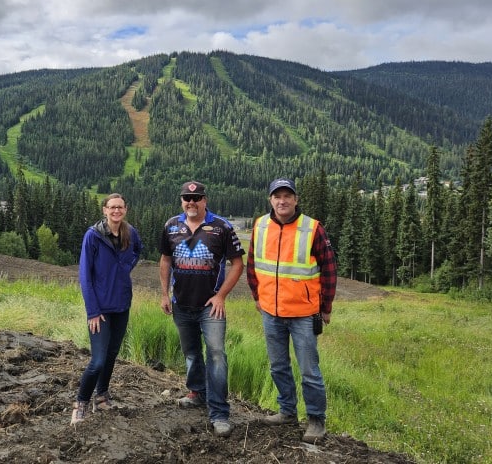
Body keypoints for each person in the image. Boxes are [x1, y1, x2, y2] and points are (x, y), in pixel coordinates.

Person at [246, 177, 337, 443]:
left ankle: (316, 420)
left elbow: (329, 269)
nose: (282, 201)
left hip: (303, 313)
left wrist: (326, 307)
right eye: (277, 196)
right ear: (270, 200)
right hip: (271, 312)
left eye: (287, 196)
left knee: (309, 369)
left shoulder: (312, 228)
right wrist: (256, 296)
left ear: (296, 200)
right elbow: (253, 264)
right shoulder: (260, 225)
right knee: (278, 366)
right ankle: (287, 411)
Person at [159, 181, 245, 438]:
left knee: (216, 355)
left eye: (196, 198)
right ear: (182, 201)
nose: (191, 202)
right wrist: (164, 294)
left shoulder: (221, 227)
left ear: (205, 200)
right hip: (181, 304)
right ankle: (197, 393)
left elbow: (237, 263)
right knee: (191, 353)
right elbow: (165, 259)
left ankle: (219, 413)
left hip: (211, 307)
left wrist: (221, 296)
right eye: (187, 197)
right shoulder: (171, 225)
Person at [71, 193, 144, 425]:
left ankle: (101, 396)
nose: (116, 211)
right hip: (100, 309)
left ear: (125, 209)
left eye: (119, 207)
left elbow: (137, 251)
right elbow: (85, 276)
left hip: (121, 305)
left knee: (112, 354)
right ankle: (80, 403)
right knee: (98, 360)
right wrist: (92, 311)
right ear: (104, 210)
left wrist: (125, 267)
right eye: (111, 207)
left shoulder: (129, 233)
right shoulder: (93, 236)